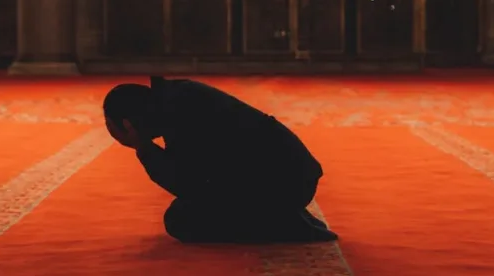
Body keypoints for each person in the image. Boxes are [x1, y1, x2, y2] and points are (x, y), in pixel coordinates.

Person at [102, 76, 338, 244]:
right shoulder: (175, 99)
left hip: (288, 186)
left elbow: (188, 185)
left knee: (182, 220)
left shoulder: (180, 110)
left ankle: (282, 225)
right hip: (289, 177)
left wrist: (142, 147)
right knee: (185, 210)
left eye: (113, 128)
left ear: (128, 124)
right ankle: (279, 215)